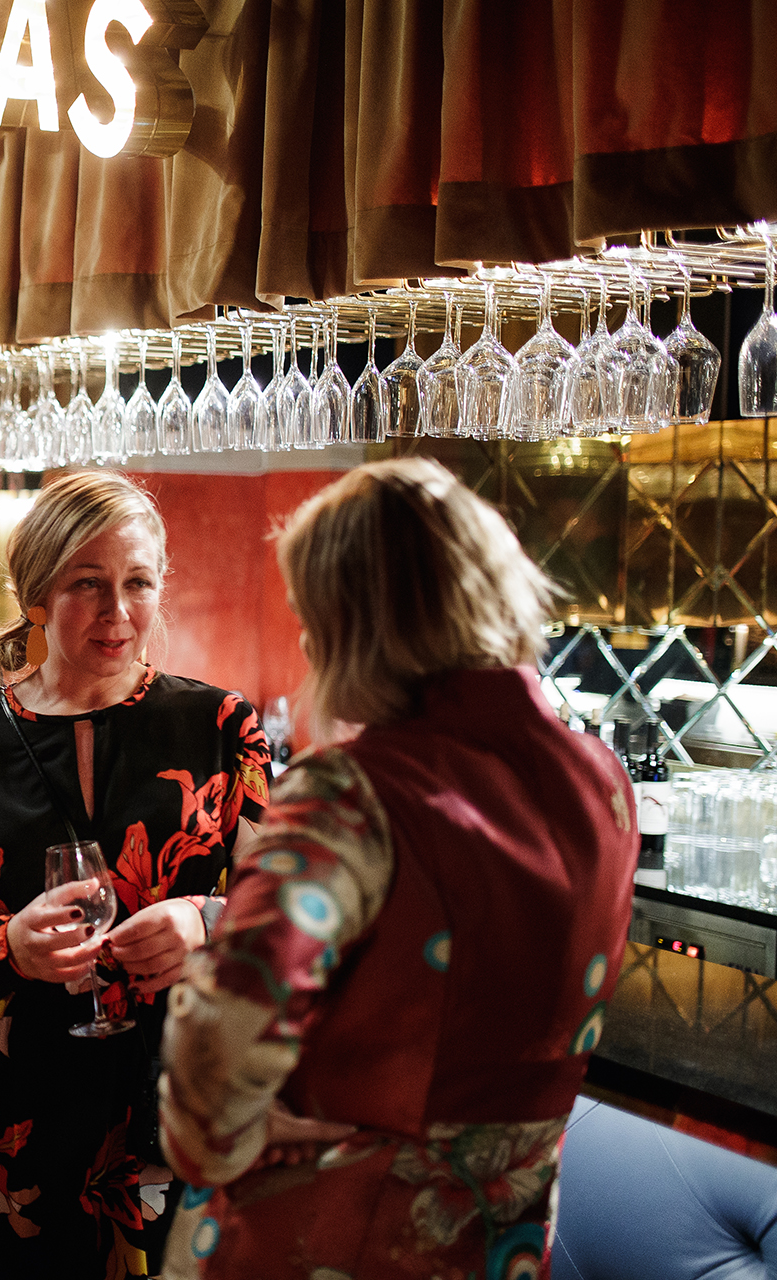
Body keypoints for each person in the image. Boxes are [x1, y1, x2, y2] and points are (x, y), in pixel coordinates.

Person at [157, 459, 636, 1280]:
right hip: (500, 1242)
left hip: (328, 1232)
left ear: (354, 623)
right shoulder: (602, 782)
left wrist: (228, 1136)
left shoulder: (351, 794)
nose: (306, 642)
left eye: (311, 615)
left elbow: (222, 1041)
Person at [0, 469, 271, 1277]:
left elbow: (293, 912)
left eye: (138, 583)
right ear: (36, 597)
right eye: (87, 584)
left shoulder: (222, 727)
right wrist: (7, 947)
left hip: (167, 1113)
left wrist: (206, 920)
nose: (116, 611)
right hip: (2, 1123)